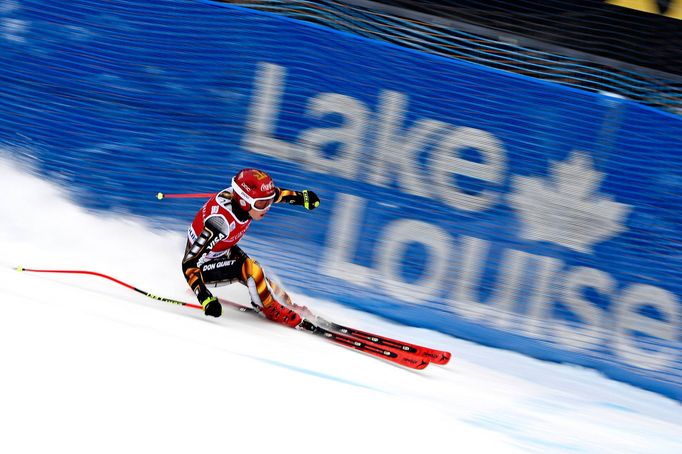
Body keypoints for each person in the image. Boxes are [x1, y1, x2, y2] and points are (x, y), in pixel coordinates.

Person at [181, 168, 320, 327]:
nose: (267, 207)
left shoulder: (248, 201)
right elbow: (189, 264)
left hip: (222, 250)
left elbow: (276, 194)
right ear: (243, 201)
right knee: (252, 269)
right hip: (203, 266)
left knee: (268, 285)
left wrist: (301, 198)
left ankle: (285, 304)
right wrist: (205, 298)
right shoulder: (219, 223)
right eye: (262, 204)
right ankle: (268, 309)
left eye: (268, 201)